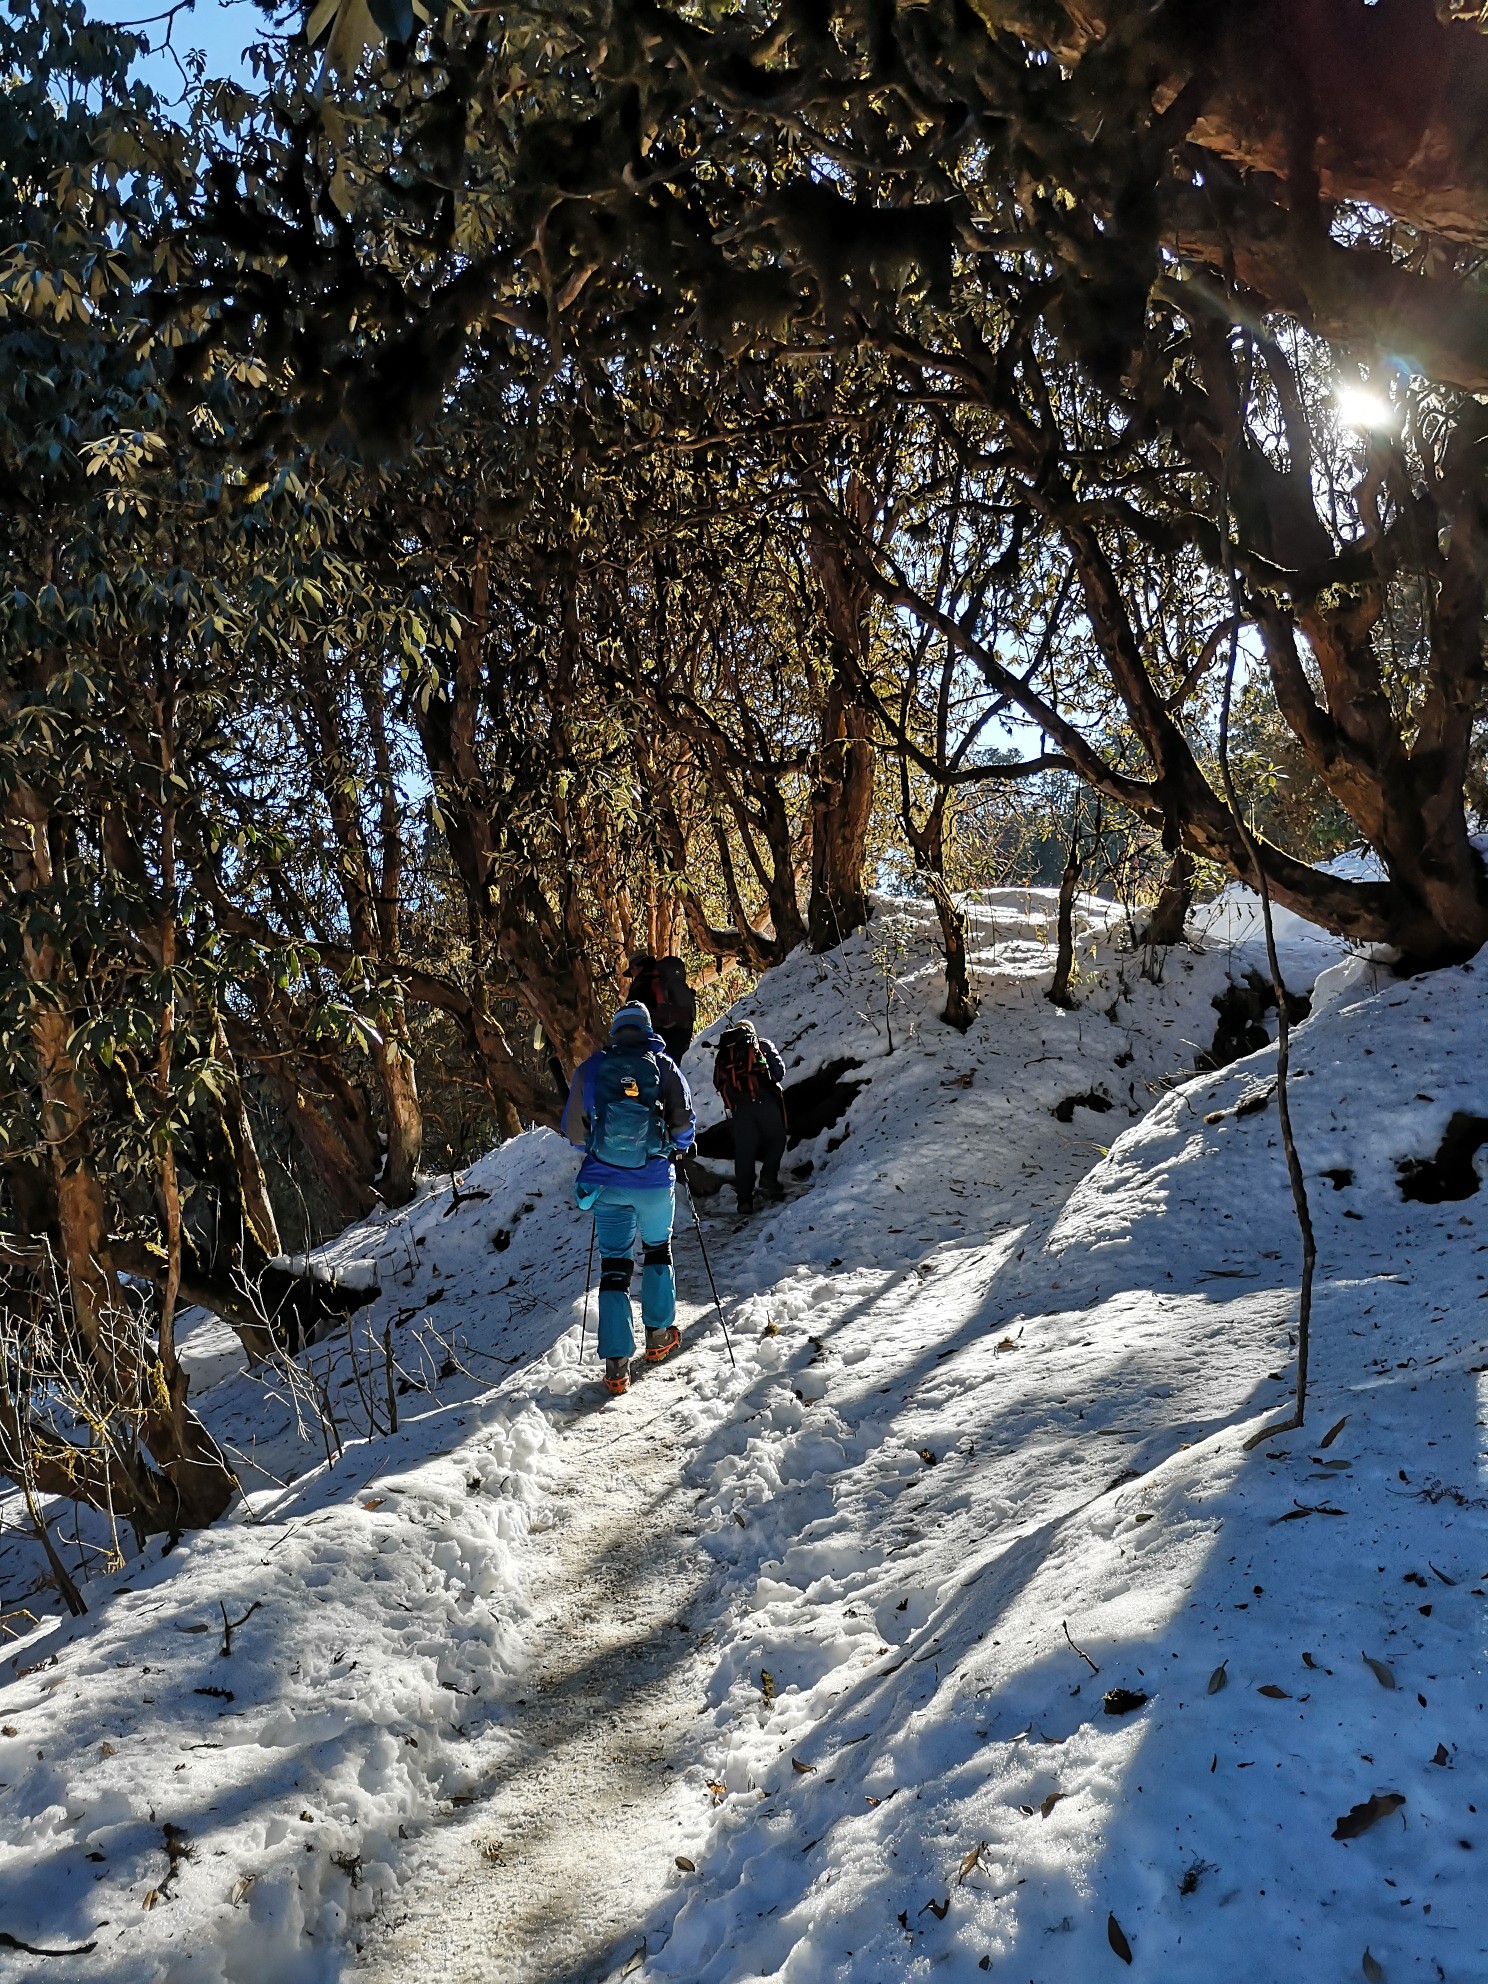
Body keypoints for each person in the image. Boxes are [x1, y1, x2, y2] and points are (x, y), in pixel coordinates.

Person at [561, 1001, 696, 1396]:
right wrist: (677, 1147)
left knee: (614, 1266)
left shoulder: (592, 1068)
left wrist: (602, 1150)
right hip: (654, 1180)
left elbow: (573, 1130)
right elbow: (684, 1122)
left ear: (617, 1031)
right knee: (657, 1250)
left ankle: (617, 1364)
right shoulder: (664, 1064)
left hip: (607, 1184)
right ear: (647, 1029)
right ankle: (658, 1336)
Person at [712, 1018, 787, 1216]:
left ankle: (744, 1201)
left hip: (741, 1108)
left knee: (744, 1153)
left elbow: (717, 1081)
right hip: (765, 1102)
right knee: (778, 1139)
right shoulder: (761, 1045)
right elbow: (779, 1073)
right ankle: (768, 1177)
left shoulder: (726, 1053)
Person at [628, 952, 697, 1064]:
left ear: (637, 967)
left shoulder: (642, 982)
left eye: (631, 970)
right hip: (684, 1027)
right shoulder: (665, 977)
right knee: (674, 1067)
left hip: (662, 1031)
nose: (632, 974)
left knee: (659, 1070)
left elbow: (631, 1011)